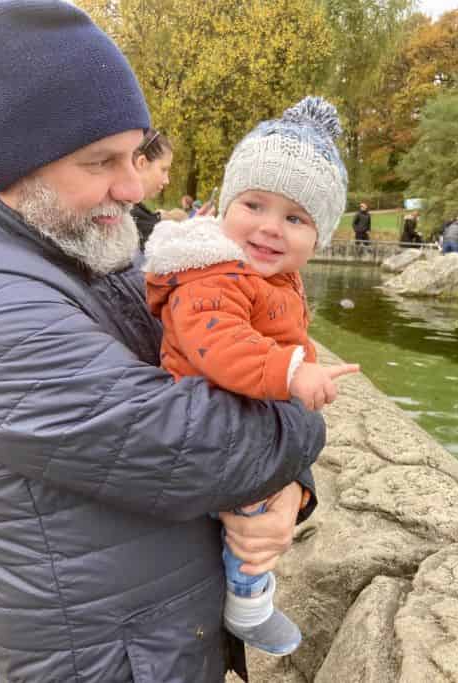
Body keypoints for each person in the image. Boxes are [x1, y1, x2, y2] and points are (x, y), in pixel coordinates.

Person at [0, 3, 325, 681]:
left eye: (135, 152)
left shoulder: (84, 234)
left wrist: (288, 493)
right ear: (10, 162)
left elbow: (231, 367)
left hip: (164, 637)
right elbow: (194, 446)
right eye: (100, 160)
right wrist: (303, 401)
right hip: (106, 658)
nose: (133, 185)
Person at [143, 96, 358, 658]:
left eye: (295, 218)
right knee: (253, 517)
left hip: (242, 417)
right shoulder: (210, 277)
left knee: (263, 506)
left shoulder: (273, 280)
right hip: (209, 425)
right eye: (254, 205)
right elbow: (223, 347)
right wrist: (293, 374)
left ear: (320, 237)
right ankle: (249, 604)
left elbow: (284, 337)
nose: (269, 228)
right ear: (223, 206)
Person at [130, 127, 173, 250]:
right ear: (142, 163)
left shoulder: (133, 212)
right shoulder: (127, 218)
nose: (167, 180)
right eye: (163, 169)